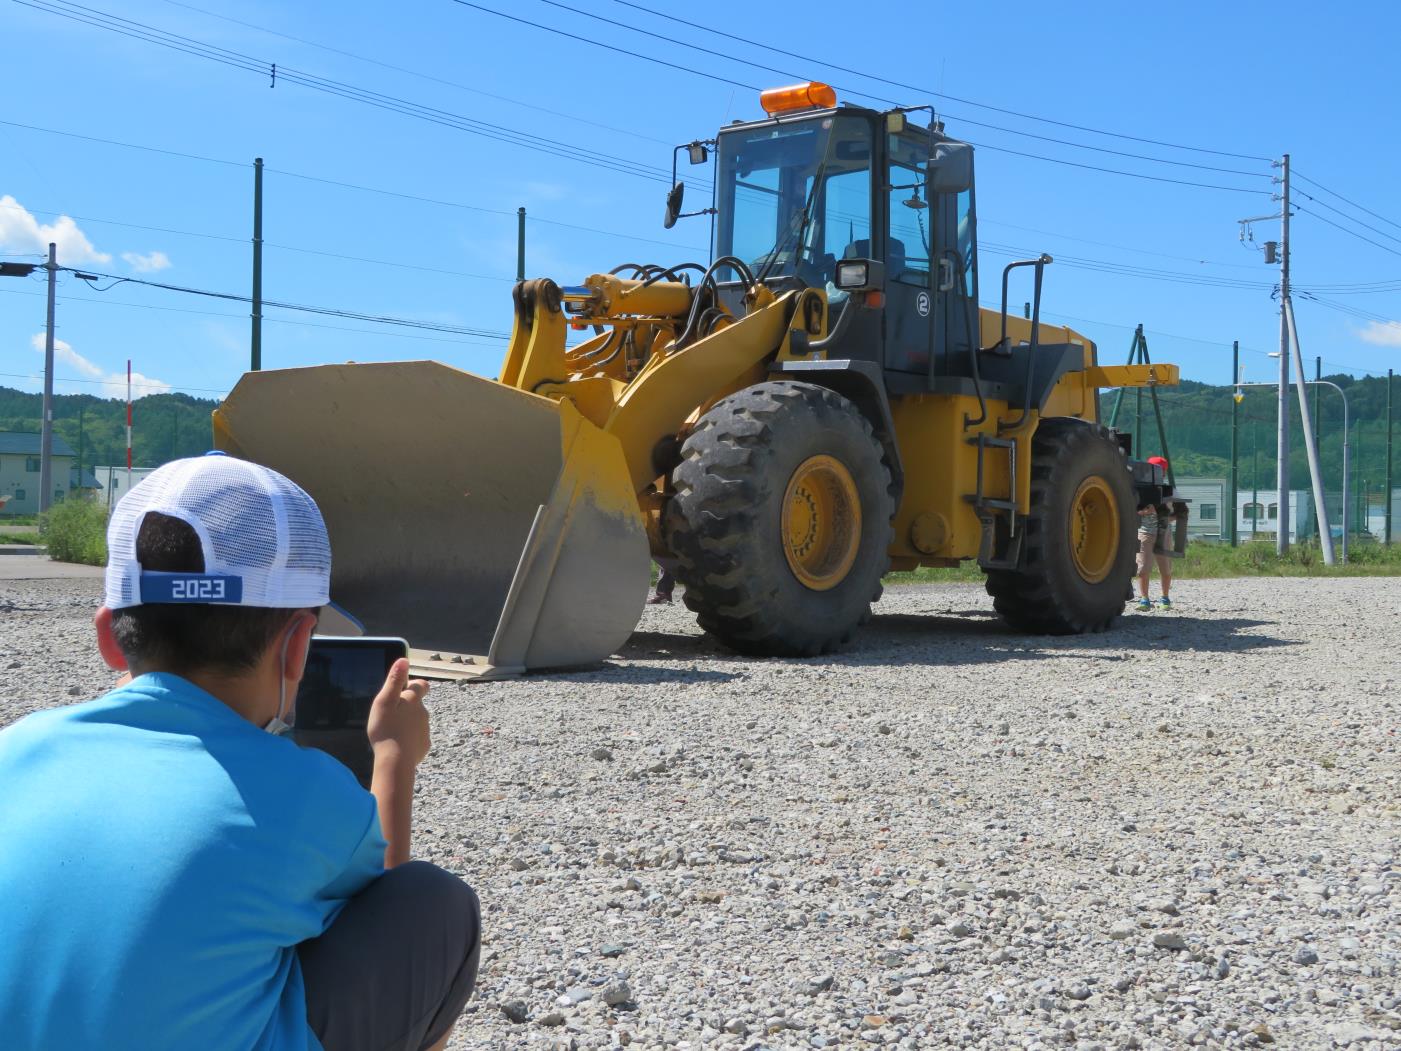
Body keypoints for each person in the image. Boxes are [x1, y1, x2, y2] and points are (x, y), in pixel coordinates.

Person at [0, 453, 480, 1051]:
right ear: (299, 647)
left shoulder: (15, 749)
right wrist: (392, 759)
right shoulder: (307, 790)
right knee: (432, 903)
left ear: (108, 635)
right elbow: (379, 905)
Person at [1136, 455, 1176, 611]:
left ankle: (1165, 598)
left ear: (1163, 472)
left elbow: (1176, 515)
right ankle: (1144, 599)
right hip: (1144, 532)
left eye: (1158, 470)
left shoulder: (1168, 491)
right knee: (1142, 568)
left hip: (1163, 534)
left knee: (1165, 568)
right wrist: (1144, 511)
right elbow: (1134, 510)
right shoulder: (1140, 489)